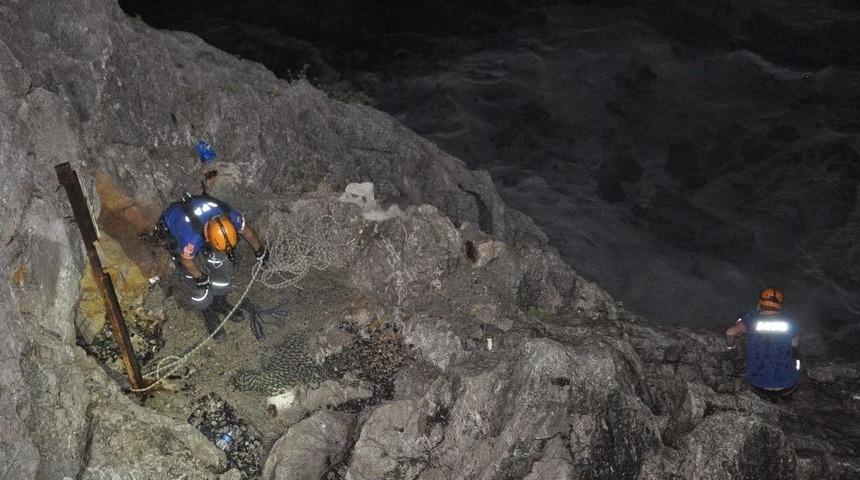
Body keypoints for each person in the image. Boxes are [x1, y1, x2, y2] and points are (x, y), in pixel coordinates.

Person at [157, 192, 269, 338]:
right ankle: (207, 310)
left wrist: (260, 249)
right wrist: (199, 277)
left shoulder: (230, 216)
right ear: (208, 237)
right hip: (174, 225)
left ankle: (220, 301)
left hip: (201, 221)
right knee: (194, 280)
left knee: (219, 260)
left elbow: (247, 231)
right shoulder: (191, 237)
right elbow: (186, 261)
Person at [725, 287, 800, 400]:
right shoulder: (790, 322)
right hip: (787, 387)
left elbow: (730, 333)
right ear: (779, 305)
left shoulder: (750, 320)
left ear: (760, 303)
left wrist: (731, 347)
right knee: (794, 367)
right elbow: (794, 345)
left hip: (759, 386)